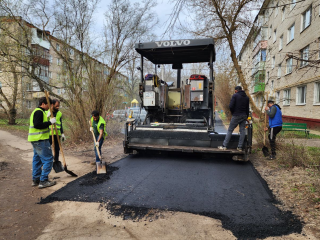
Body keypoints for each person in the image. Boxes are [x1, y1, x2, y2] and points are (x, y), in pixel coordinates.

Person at [28, 97, 57, 188]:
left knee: (37, 160)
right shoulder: (39, 112)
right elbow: (37, 124)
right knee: (48, 159)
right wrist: (49, 123)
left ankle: (36, 179)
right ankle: (43, 181)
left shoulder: (39, 111)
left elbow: (39, 122)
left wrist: (48, 118)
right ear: (43, 104)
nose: (49, 106)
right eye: (49, 104)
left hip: (35, 140)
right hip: (40, 140)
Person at [218, 86, 249, 151]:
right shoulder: (246, 97)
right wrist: (246, 116)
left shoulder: (235, 96)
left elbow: (231, 106)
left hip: (236, 115)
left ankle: (224, 146)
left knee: (230, 130)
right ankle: (240, 147)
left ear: (236, 90)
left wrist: (233, 113)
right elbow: (247, 108)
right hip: (244, 115)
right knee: (242, 131)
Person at [46, 99, 66, 165]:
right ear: (52, 105)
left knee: (57, 149)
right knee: (48, 149)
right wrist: (47, 116)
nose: (58, 107)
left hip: (58, 134)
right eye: (56, 106)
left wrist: (62, 133)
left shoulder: (59, 113)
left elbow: (60, 124)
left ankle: (56, 161)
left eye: (58, 106)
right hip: (49, 134)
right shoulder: (48, 112)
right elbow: (44, 122)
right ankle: (47, 162)